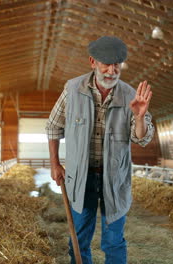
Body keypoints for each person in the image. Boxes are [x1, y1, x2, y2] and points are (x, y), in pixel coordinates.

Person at [45, 36, 154, 264]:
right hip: (80, 179)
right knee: (78, 239)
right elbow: (54, 126)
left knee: (114, 242)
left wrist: (140, 117)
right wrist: (55, 163)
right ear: (92, 62)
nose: (112, 71)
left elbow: (142, 138)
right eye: (106, 63)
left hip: (114, 180)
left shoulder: (129, 95)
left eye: (117, 65)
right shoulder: (73, 89)